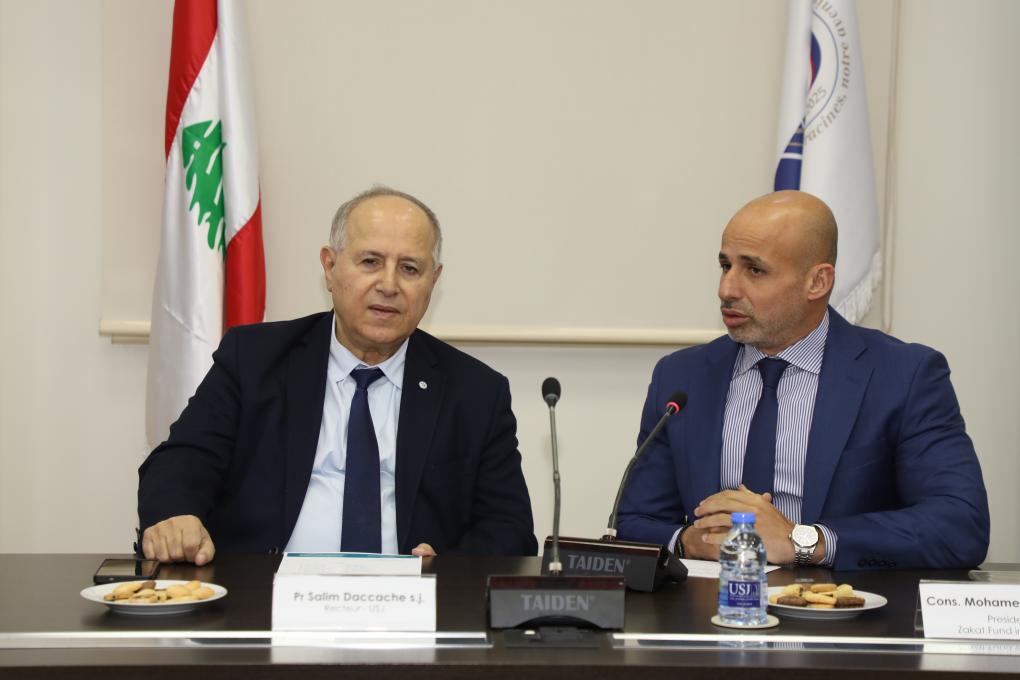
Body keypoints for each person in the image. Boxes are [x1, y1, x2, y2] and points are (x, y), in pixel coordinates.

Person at [138, 187, 538, 564]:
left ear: (433, 281)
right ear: (330, 267)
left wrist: (448, 570)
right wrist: (177, 514)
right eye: (370, 262)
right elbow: (183, 461)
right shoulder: (255, 359)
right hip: (262, 593)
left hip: (408, 603)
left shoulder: (476, 393)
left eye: (410, 268)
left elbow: (510, 529)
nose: (389, 285)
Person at [617, 190, 989, 570]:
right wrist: (686, 541)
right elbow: (634, 522)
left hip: (845, 603)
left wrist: (803, 541)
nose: (726, 289)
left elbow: (960, 525)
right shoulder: (682, 377)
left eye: (754, 270)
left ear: (817, 282)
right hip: (713, 602)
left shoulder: (903, 376)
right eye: (725, 265)